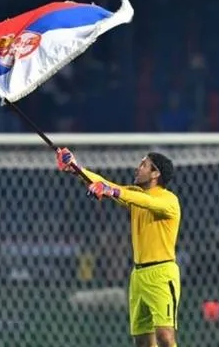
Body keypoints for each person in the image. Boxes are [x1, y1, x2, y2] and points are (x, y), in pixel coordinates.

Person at [57, 149, 181, 347]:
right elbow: (107, 184)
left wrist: (112, 191)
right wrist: (75, 167)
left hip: (162, 274)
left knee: (165, 337)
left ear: (155, 173)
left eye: (143, 165)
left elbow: (146, 201)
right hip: (138, 275)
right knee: (142, 341)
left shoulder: (168, 200)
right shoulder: (135, 195)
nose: (137, 168)